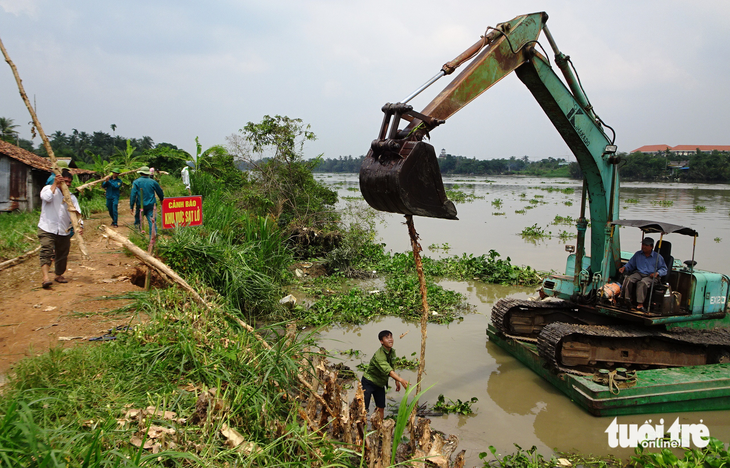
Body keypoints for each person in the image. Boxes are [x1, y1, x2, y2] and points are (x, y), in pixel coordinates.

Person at [37, 169, 83, 289]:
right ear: (59, 180)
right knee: (46, 250)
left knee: (62, 253)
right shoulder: (48, 189)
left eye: (69, 182)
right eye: (65, 181)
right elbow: (46, 198)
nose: (67, 184)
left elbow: (77, 213)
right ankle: (45, 278)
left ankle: (58, 275)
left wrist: (79, 226)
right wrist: (54, 184)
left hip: (63, 230)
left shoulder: (72, 198)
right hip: (47, 227)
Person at [361, 330, 410, 420]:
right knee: (364, 408)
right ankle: (361, 430)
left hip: (380, 384)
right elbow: (389, 371)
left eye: (391, 337)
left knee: (381, 407)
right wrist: (401, 379)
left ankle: (379, 429)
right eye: (387, 338)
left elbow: (392, 366)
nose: (390, 340)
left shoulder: (392, 352)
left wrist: (396, 381)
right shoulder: (379, 356)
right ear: (381, 341)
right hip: (369, 381)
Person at [618, 237, 668, 310]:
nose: (644, 247)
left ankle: (640, 304)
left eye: (646, 245)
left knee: (642, 283)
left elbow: (664, 269)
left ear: (651, 247)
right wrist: (624, 268)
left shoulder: (658, 257)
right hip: (639, 273)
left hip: (651, 276)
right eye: (643, 244)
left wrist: (657, 273)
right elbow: (630, 264)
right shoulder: (638, 254)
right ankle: (627, 299)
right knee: (629, 279)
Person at [130, 166, 164, 237]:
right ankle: (153, 237)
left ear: (141, 173)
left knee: (138, 221)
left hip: (140, 205)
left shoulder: (136, 182)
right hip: (151, 205)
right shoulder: (153, 182)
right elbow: (160, 192)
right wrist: (161, 199)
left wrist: (131, 206)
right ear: (148, 173)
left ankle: (138, 236)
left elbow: (133, 195)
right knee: (152, 221)